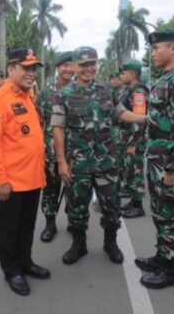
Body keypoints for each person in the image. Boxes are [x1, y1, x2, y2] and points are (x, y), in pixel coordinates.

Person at [51, 46, 146, 266]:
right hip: (78, 162)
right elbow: (57, 128)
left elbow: (121, 113)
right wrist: (62, 162)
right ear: (74, 66)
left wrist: (145, 118)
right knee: (76, 206)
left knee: (111, 205)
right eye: (83, 65)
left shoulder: (107, 90)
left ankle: (110, 242)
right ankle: (79, 244)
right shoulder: (63, 94)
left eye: (92, 64)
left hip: (107, 161)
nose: (88, 69)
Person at [0, 48, 50, 296]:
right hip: (9, 182)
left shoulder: (26, 96)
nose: (31, 73)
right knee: (8, 229)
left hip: (32, 179)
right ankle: (11, 270)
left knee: (27, 226)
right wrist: (0, 179)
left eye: (33, 68)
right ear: (11, 69)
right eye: (26, 68)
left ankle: (25, 262)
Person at [135, 27, 174, 289]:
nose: (153, 53)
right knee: (159, 212)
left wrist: (172, 166)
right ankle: (162, 254)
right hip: (156, 155)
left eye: (157, 48)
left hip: (167, 159)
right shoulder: (166, 77)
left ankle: (171, 267)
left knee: (168, 213)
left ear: (173, 48)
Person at [36, 51, 75, 242]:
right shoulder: (45, 93)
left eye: (71, 65)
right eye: (64, 66)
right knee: (50, 189)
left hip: (76, 151)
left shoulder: (80, 90)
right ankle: (50, 224)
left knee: (74, 190)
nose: (68, 69)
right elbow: (37, 123)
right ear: (58, 68)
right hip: (51, 151)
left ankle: (73, 221)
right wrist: (39, 150)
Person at [117, 60, 149, 218]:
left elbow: (139, 118)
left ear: (134, 74)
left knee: (135, 171)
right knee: (130, 170)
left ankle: (138, 206)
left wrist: (133, 143)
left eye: (124, 72)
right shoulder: (128, 90)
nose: (120, 75)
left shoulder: (138, 92)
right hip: (126, 138)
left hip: (133, 140)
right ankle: (132, 201)